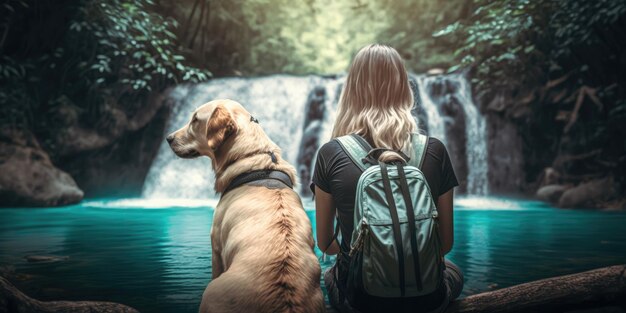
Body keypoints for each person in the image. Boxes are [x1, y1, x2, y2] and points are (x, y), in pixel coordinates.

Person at [310, 44, 464, 313]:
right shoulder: (434, 150)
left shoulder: (331, 153)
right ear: (403, 87)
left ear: (352, 90)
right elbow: (445, 244)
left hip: (362, 301)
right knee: (452, 270)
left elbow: (326, 245)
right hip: (428, 299)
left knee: (330, 274)